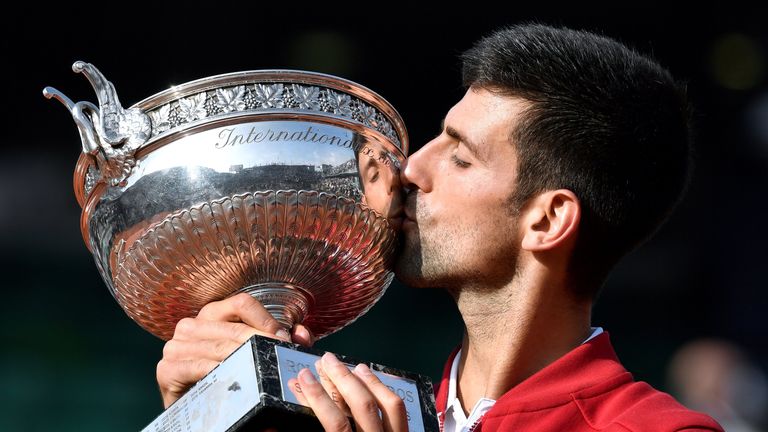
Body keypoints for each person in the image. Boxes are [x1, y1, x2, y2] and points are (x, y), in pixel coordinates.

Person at [156, 23, 725, 431]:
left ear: (547, 219)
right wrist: (203, 413)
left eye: (460, 156)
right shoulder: (367, 412)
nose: (411, 168)